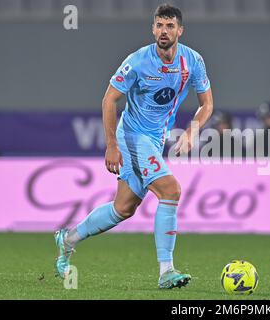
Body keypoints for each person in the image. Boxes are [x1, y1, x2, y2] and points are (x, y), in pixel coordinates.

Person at [54, 4, 213, 289]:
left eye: (169, 26)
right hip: (132, 136)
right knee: (171, 190)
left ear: (180, 30)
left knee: (123, 208)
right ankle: (167, 271)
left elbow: (207, 104)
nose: (164, 31)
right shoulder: (138, 61)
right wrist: (111, 144)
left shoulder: (193, 62)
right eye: (159, 26)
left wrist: (192, 131)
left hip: (154, 140)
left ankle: (68, 239)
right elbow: (109, 99)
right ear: (153, 29)